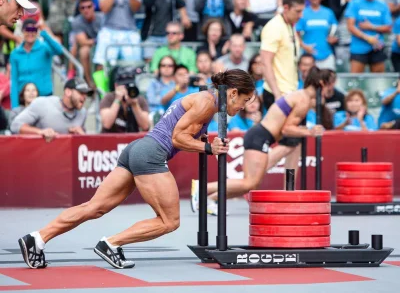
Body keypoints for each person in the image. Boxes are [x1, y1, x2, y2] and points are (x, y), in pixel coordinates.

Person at [18, 69, 255, 269]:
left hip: (137, 149)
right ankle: (111, 243)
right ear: (233, 93)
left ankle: (37, 238)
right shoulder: (207, 103)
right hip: (150, 154)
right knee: (169, 221)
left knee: (94, 207)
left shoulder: (204, 99)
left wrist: (203, 141)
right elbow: (177, 138)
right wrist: (209, 148)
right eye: (245, 101)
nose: (243, 107)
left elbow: (183, 132)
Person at [191, 67, 329, 215]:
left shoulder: (299, 96)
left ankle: (209, 199)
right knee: (250, 183)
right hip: (260, 136)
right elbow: (287, 129)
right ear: (322, 83)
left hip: (260, 136)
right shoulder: (304, 100)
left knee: (251, 183)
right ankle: (202, 188)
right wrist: (310, 131)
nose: (331, 89)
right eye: (331, 85)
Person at [260, 0, 305, 188]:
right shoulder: (273, 28)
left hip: (291, 93)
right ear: (285, 8)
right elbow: (265, 62)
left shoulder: (290, 26)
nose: (300, 15)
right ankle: (245, 181)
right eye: (297, 11)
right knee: (289, 143)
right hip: (280, 94)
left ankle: (290, 190)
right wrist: (278, 94)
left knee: (296, 144)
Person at [10, 78, 90, 140]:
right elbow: (15, 126)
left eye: (86, 94)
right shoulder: (43, 104)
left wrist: (82, 136)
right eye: (81, 93)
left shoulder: (82, 113)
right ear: (68, 92)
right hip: (39, 156)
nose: (84, 97)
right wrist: (40, 132)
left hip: (65, 158)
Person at [10, 18, 63, 109]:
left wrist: (44, 32)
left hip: (44, 96)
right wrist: (15, 106)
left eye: (33, 30)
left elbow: (59, 50)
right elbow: (14, 81)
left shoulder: (44, 47)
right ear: (23, 31)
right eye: (27, 30)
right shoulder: (15, 54)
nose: (30, 33)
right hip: (24, 100)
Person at [345, 0, 392, 73]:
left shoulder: (382, 5)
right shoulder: (354, 3)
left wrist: (371, 27)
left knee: (379, 81)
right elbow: (350, 26)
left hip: (377, 47)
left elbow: (388, 27)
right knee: (355, 80)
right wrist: (368, 38)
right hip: (358, 48)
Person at [100, 67, 150, 133]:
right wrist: (117, 100)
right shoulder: (109, 98)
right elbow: (106, 124)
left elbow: (145, 126)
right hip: (111, 139)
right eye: (124, 86)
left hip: (132, 140)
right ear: (116, 86)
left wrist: (135, 105)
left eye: (129, 86)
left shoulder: (139, 99)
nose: (127, 89)